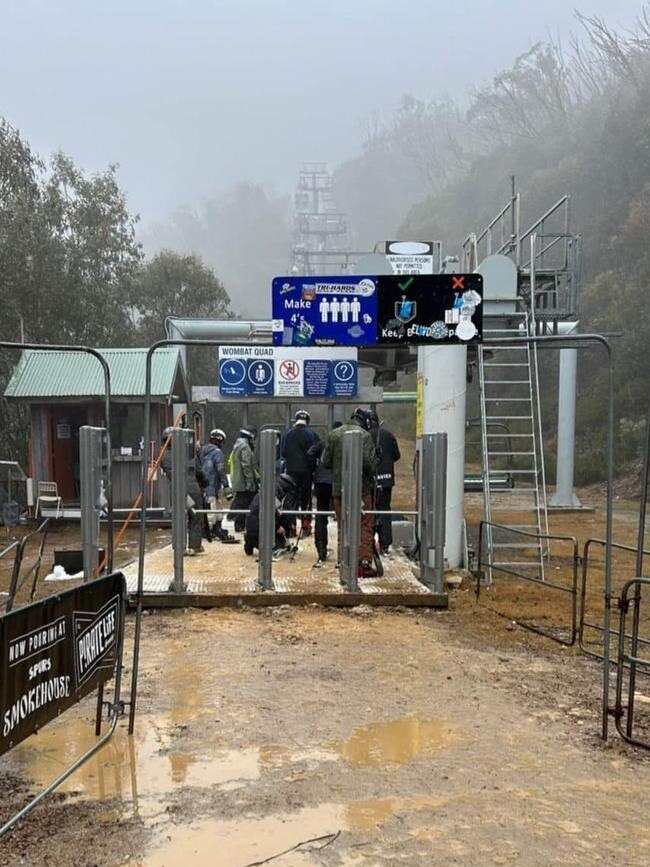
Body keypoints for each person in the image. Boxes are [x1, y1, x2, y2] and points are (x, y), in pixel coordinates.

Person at [321, 408, 378, 577]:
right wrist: (376, 458)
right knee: (365, 524)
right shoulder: (365, 436)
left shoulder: (334, 435)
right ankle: (364, 562)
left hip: (339, 489)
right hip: (362, 490)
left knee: (343, 524)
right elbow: (370, 465)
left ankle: (343, 560)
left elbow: (325, 462)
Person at [159, 426, 204, 556]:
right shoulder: (189, 454)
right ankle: (194, 546)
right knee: (195, 516)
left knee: (179, 517)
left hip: (176, 488)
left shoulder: (164, 456)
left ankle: (179, 546)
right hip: (192, 487)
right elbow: (199, 471)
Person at [308, 421, 341, 567]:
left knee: (321, 516)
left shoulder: (323, 443)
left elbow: (309, 453)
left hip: (321, 483)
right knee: (343, 517)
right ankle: (344, 553)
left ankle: (321, 548)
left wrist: (314, 469)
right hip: (337, 483)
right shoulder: (343, 444)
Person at [281, 410, 319, 537]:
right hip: (307, 472)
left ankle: (291, 527)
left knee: (291, 499)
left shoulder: (288, 434)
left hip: (291, 472)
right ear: (307, 421)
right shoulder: (311, 434)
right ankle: (306, 526)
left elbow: (284, 453)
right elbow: (317, 452)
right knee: (306, 500)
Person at [369, 411, 401, 554]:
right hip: (387, 479)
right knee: (385, 510)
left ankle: (369, 541)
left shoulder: (365, 436)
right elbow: (397, 455)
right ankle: (385, 543)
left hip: (371, 480)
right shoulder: (388, 435)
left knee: (369, 511)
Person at [244, 473, 297, 557]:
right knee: (279, 547)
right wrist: (277, 527)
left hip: (251, 526)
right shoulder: (274, 495)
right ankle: (258, 541)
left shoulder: (267, 490)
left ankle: (250, 540)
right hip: (260, 529)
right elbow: (269, 514)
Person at [200, 428, 237, 543]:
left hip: (203, 486)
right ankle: (209, 532)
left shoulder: (201, 451)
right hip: (212, 486)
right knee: (213, 510)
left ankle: (216, 529)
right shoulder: (218, 453)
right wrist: (226, 486)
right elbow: (221, 470)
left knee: (216, 509)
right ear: (221, 441)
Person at [229, 426, 258, 532]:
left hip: (238, 481)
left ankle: (239, 524)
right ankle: (241, 525)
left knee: (241, 503)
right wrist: (250, 482)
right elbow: (247, 466)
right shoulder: (245, 447)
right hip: (244, 483)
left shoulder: (237, 446)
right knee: (247, 504)